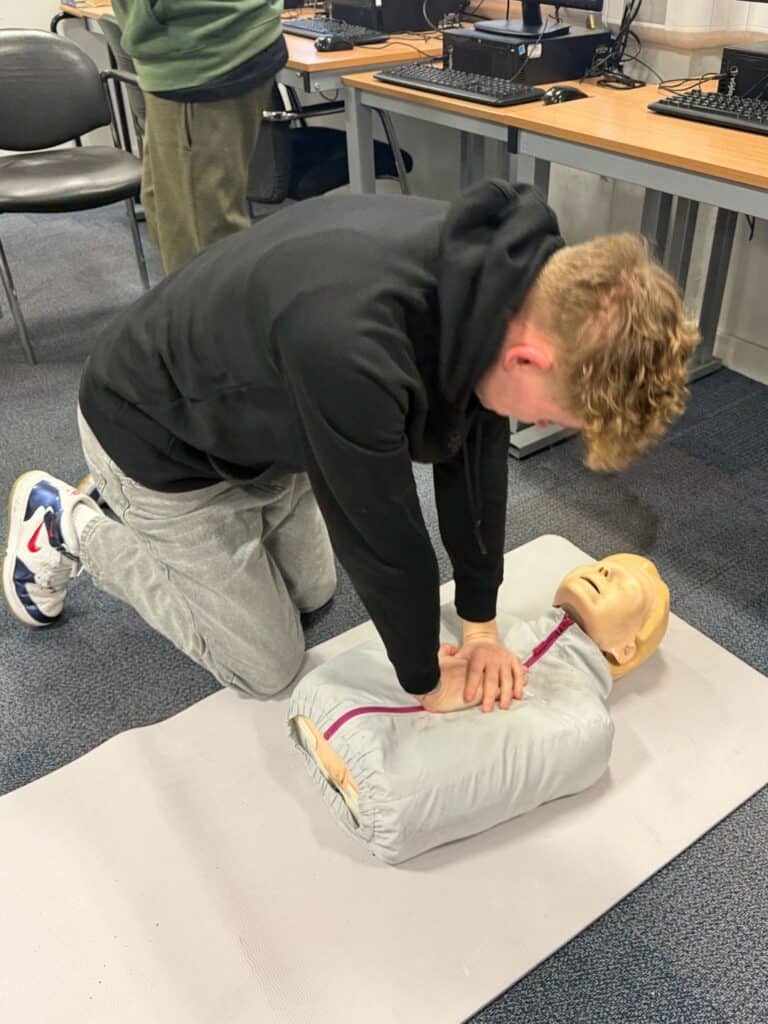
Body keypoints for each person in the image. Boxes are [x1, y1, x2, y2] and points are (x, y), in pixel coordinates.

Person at [2, 181, 698, 713]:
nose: (556, 427)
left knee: (315, 594)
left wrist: (480, 625)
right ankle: (67, 522)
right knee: (267, 668)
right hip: (154, 438)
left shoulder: (508, 287)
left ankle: (168, 533)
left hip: (273, 429)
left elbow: (474, 449)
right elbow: (381, 526)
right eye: (563, 415)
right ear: (528, 359)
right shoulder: (353, 343)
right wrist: (423, 676)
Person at [289, 553, 669, 863]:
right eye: (604, 562)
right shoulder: (487, 619)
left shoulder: (585, 724)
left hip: (375, 793)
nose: (602, 568)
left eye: (624, 580)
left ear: (626, 650)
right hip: (323, 705)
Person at [110, 0, 288, 273]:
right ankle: (200, 311)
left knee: (199, 239)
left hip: (202, 50)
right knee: (165, 208)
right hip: (193, 45)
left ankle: (215, 315)